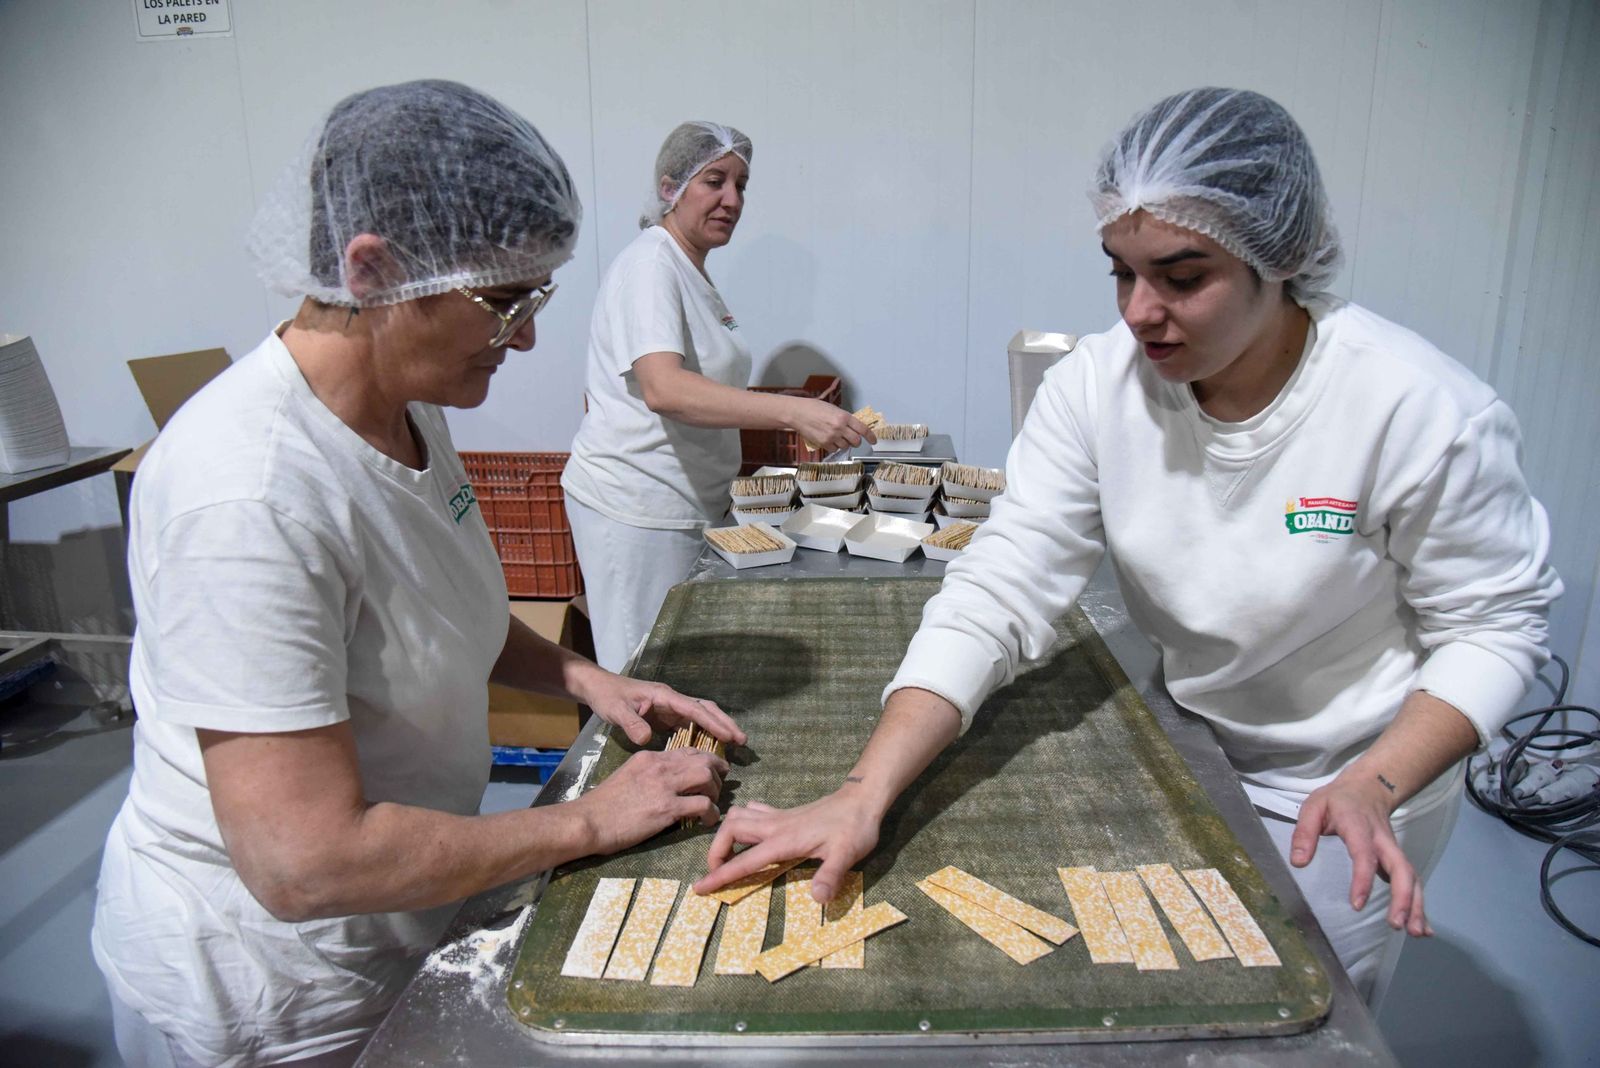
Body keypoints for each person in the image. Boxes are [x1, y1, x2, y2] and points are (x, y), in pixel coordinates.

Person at [696, 87, 1561, 1007]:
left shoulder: (1416, 410)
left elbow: (1497, 624)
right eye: (1120, 271)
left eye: (1183, 277)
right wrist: (862, 791)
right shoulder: (1099, 389)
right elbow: (1002, 585)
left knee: (1296, 1011)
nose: (1141, 311)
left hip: (1355, 778)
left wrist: (1378, 781)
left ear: (1282, 260)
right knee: (1184, 992)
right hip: (1195, 742)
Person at [91, 81, 741, 1068]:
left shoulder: (409, 405)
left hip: (385, 921)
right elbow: (304, 863)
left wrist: (585, 678)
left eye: (538, 298)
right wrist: (590, 820)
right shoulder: (248, 496)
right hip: (269, 984)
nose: (525, 337)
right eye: (505, 301)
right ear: (373, 270)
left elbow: (442, 608)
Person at [562, 121, 876, 671]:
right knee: (641, 674)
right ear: (670, 188)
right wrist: (793, 410)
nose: (731, 199)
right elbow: (664, 388)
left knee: (673, 671)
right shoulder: (650, 265)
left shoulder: (689, 273)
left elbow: (699, 384)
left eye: (741, 185)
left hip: (685, 501)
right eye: (714, 181)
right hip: (638, 507)